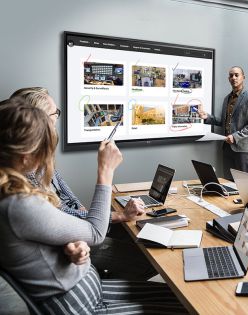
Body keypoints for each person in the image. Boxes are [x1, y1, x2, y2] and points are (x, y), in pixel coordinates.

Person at [0, 98, 188, 314]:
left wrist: (66, 245)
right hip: (78, 306)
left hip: (86, 292)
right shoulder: (17, 204)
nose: (47, 158)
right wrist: (105, 171)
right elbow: (95, 233)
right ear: (25, 157)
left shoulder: (13, 196)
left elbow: (39, 237)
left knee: (181, 300)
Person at [9, 87, 156, 281]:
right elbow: (80, 226)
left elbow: (74, 206)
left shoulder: (43, 162)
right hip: (76, 240)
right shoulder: (25, 177)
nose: (57, 120)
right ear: (39, 120)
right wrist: (106, 171)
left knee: (137, 236)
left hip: (80, 231)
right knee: (149, 260)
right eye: (55, 113)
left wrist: (100, 216)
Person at [198, 66, 248, 179]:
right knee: (228, 182)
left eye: (237, 75)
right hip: (227, 147)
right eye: (231, 75)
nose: (234, 78)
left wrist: (236, 136)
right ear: (228, 79)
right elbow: (224, 121)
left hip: (242, 149)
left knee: (244, 183)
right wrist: (207, 117)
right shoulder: (227, 99)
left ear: (243, 77)